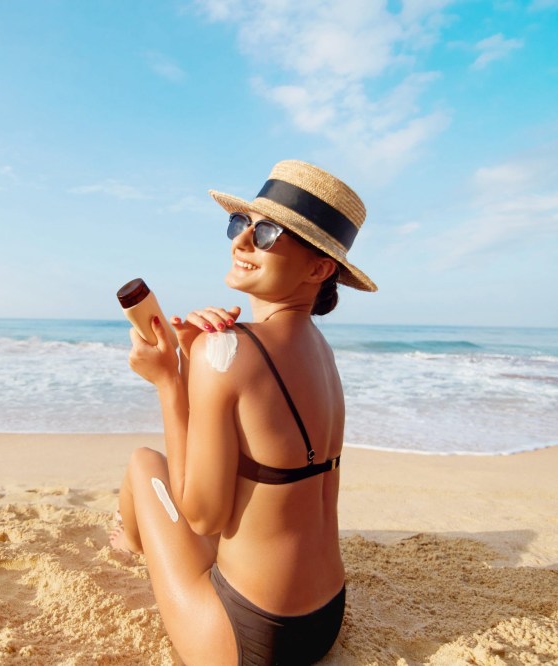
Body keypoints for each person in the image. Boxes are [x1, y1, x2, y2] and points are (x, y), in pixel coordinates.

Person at [111, 160, 377, 665]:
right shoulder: (321, 352)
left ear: (320, 269)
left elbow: (202, 514)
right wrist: (192, 356)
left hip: (248, 640)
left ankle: (127, 543)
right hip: (326, 618)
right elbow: (252, 456)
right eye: (242, 225)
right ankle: (132, 540)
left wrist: (169, 380)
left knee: (145, 463)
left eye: (270, 233)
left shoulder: (229, 352)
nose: (243, 242)